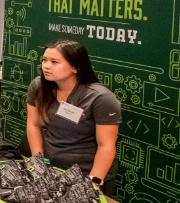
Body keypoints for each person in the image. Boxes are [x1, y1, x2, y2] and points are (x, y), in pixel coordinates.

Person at [26, 40, 121, 194]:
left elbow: (106, 145)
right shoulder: (38, 86)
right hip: (52, 170)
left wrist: (93, 184)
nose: (46, 66)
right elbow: (33, 125)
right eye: (44, 60)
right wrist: (38, 164)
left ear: (75, 67)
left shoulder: (100, 97)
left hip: (86, 176)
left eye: (54, 62)